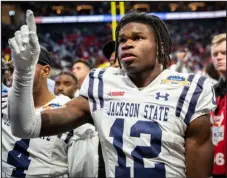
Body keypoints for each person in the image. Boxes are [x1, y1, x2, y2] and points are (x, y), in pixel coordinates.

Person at [8, 10, 216, 178]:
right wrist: (24, 72)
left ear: (160, 46)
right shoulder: (100, 83)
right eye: (122, 40)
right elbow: (26, 126)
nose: (126, 44)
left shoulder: (190, 89)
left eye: (138, 37)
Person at [2, 46, 98, 178]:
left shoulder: (73, 115)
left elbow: (83, 173)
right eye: (13, 70)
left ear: (45, 71)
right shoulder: (3, 106)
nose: (15, 76)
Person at [210, 33, 226, 178]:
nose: (218, 57)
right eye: (215, 54)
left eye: (224, 53)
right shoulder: (213, 92)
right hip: (215, 171)